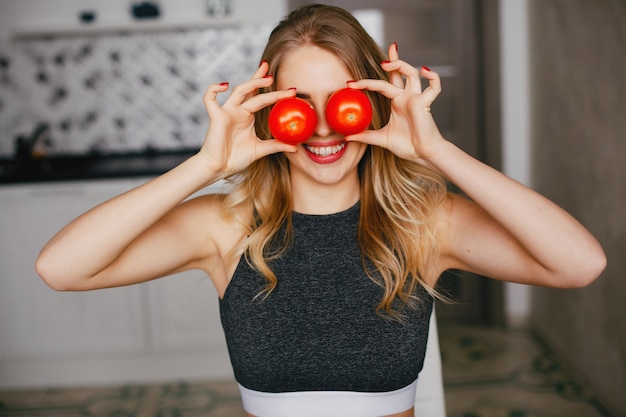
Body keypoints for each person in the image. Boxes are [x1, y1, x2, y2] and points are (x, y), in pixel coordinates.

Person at [35, 4, 606, 417]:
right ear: (268, 111)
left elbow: (579, 263)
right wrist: (204, 166)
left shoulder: (423, 223)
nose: (326, 127)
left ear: (376, 104)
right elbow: (61, 269)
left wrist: (439, 152)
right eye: (300, 106)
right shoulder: (228, 227)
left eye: (345, 103)